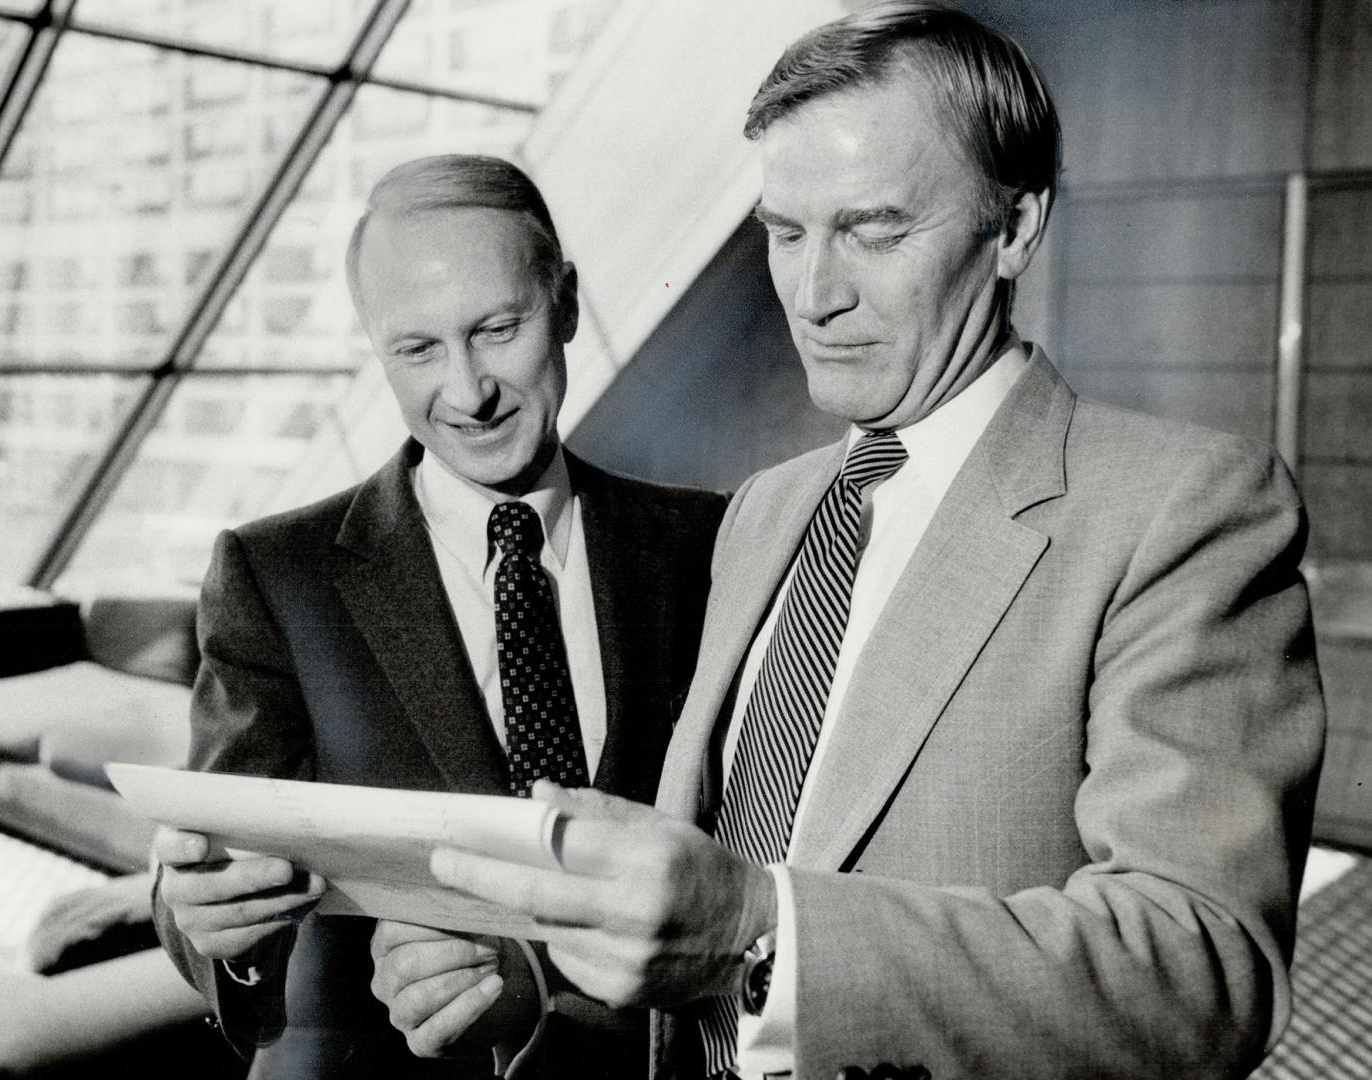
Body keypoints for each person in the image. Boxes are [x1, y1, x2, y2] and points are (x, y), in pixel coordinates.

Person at [390, 6, 1327, 1079]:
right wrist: (537, 979)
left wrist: (759, 923)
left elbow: (1202, 972)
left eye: (876, 229)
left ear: (1016, 225)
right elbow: (694, 948)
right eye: (786, 233)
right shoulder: (767, 510)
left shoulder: (1180, 508)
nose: (815, 295)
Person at [150, 154, 727, 1079]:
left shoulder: (712, 544)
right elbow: (207, 879)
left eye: (498, 329)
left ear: (567, 302)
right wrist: (220, 926)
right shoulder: (275, 573)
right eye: (417, 351)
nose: (467, 393)